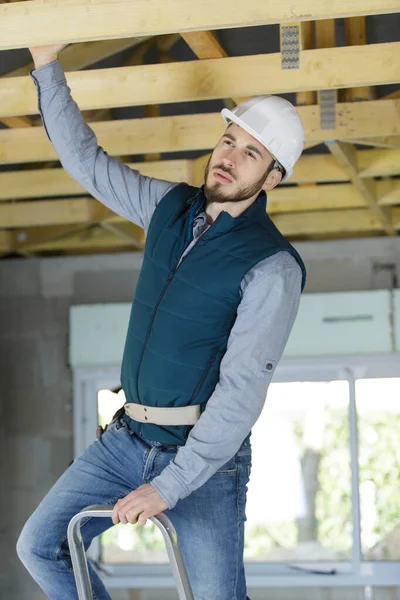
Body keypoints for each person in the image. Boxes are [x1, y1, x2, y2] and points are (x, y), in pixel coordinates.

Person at [17, 42, 306, 600]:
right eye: (229, 140)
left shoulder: (271, 266)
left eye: (251, 153)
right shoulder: (167, 207)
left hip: (204, 460)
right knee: (41, 545)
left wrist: (169, 487)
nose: (228, 156)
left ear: (272, 177)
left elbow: (242, 391)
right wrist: (47, 65)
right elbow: (86, 164)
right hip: (127, 438)